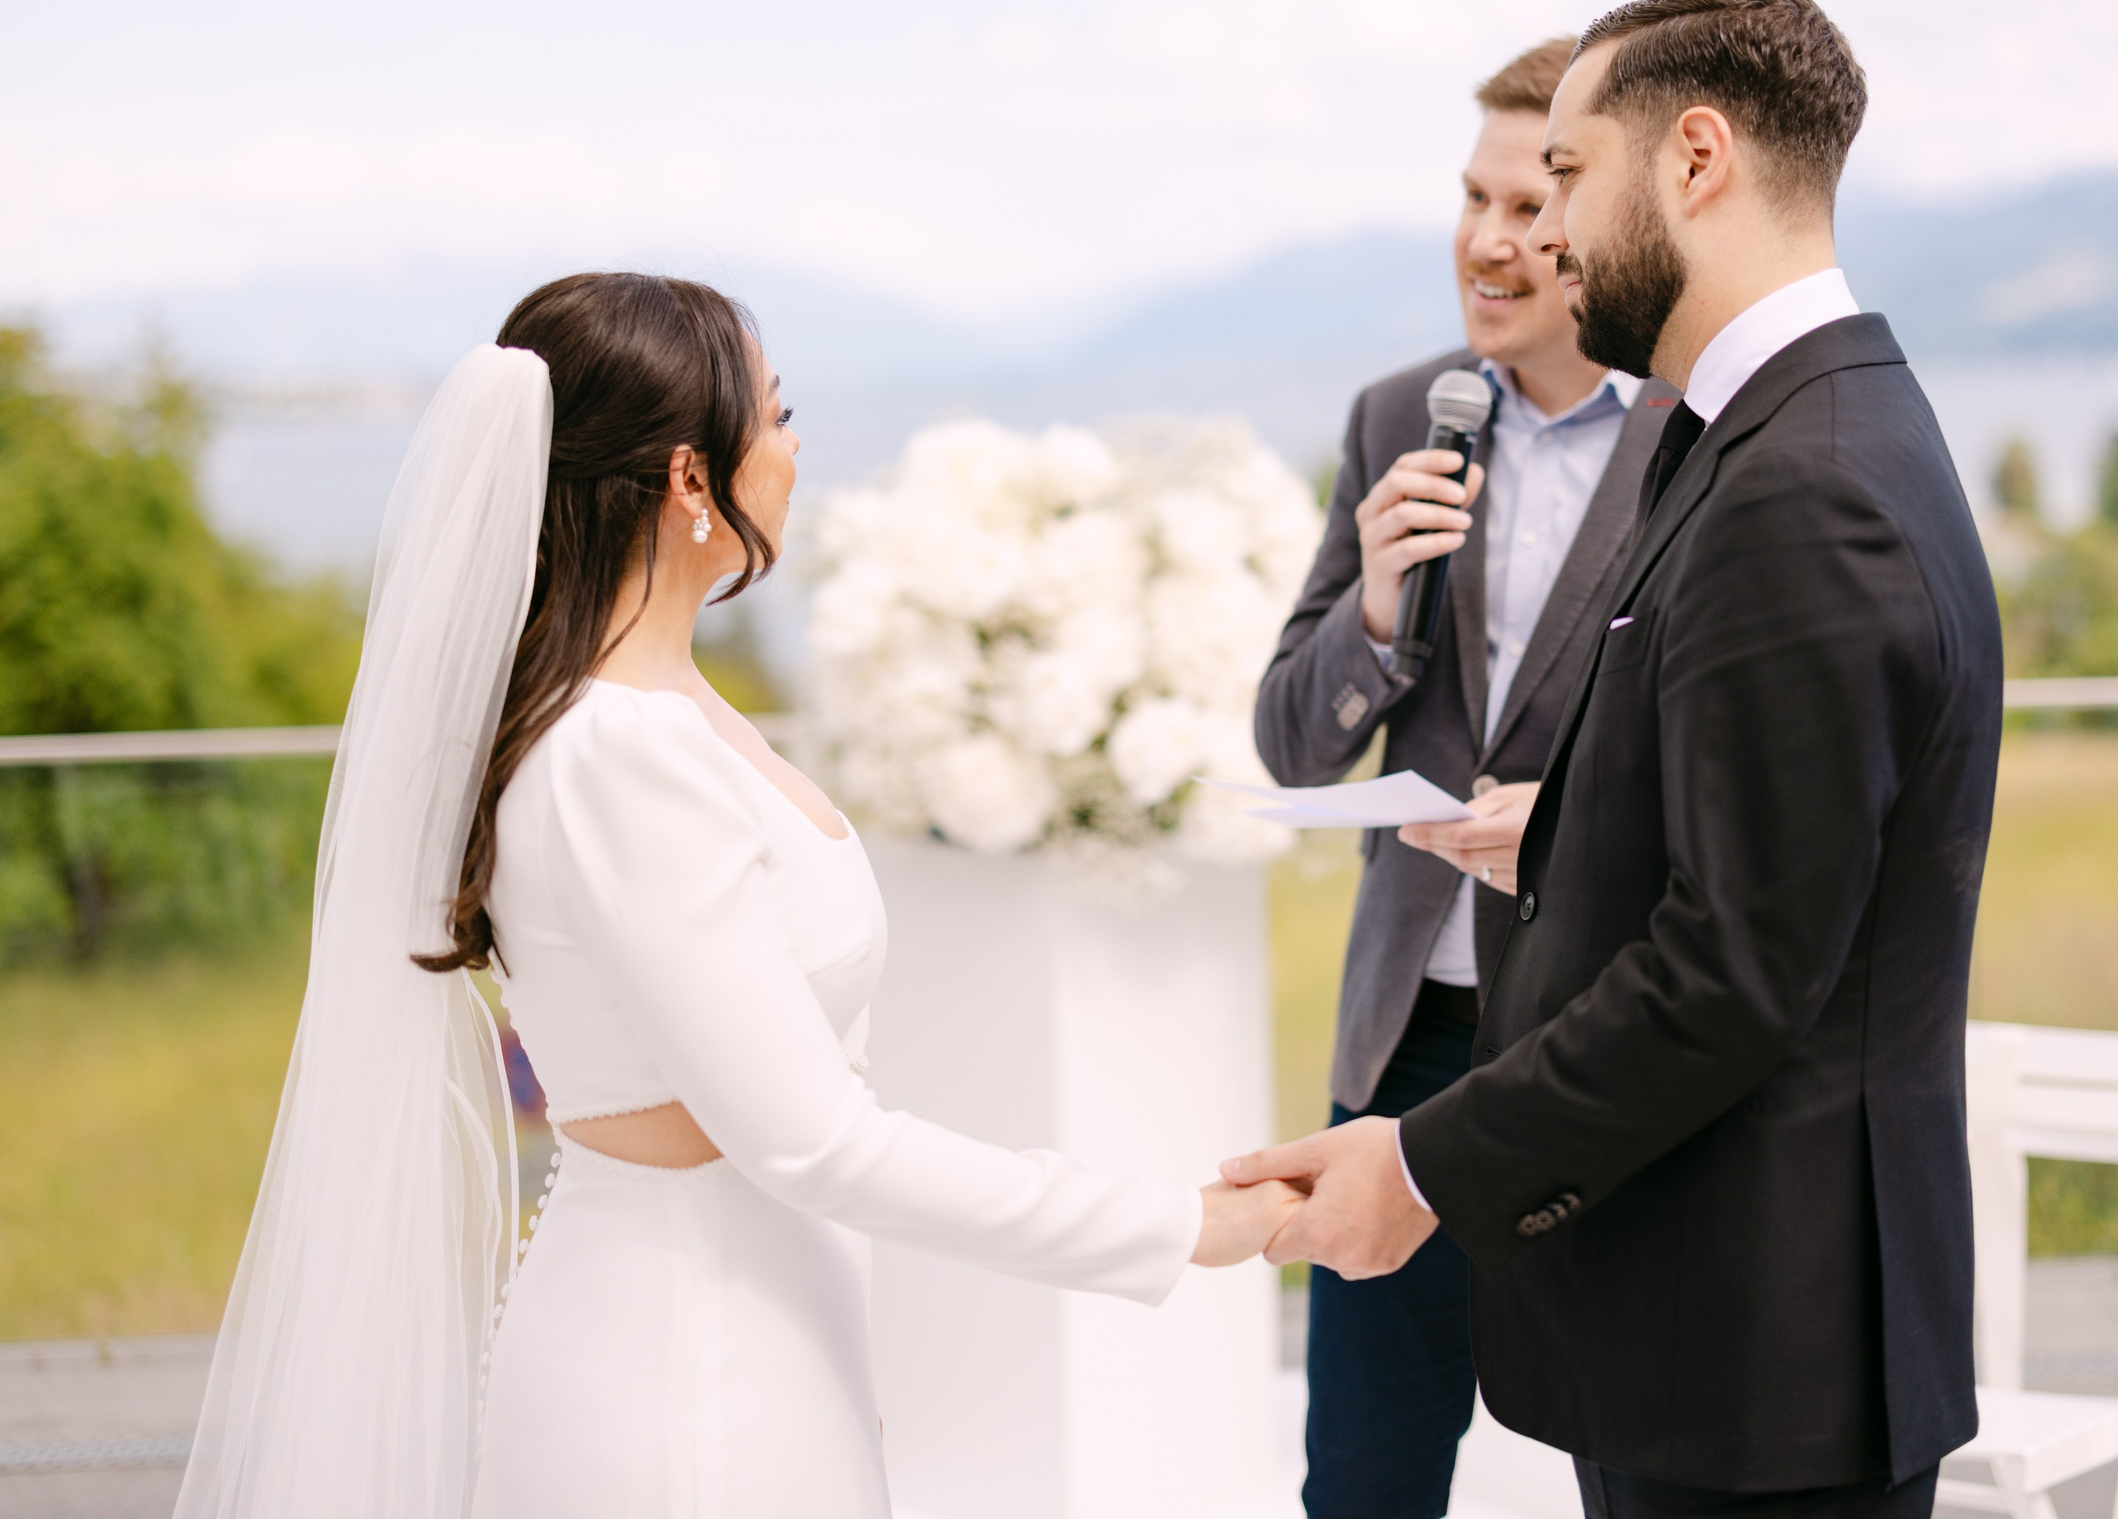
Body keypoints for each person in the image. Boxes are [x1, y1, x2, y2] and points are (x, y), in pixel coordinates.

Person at [175, 274, 1304, 1519]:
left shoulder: (667, 708)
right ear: (688, 479)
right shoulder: (621, 756)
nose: (795, 443)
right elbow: (813, 1138)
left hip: (749, 1337)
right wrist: (1179, 1224)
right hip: (682, 1371)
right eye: (773, 413)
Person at [1227, 0, 2004, 1519]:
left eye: (1568, 178)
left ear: (1696, 159)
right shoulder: (1784, 432)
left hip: (1760, 1340)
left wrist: (1426, 1164)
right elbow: (1765, 851)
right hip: (1717, 1324)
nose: (1541, 238)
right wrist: (1574, 828)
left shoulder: (1801, 489)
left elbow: (1735, 968)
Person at [1254, 37, 1676, 1518]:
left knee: (1634, 1465)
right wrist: (1373, 608)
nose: (1487, 243)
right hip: (1411, 1049)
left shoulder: (1697, 439)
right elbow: (1292, 740)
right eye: (1471, 200)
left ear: (1599, 225)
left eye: (1526, 206)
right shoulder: (1401, 416)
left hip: (1604, 1047)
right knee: (1365, 1480)